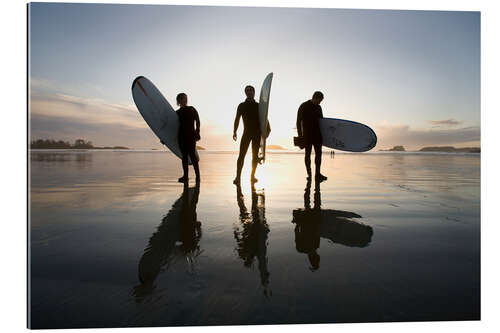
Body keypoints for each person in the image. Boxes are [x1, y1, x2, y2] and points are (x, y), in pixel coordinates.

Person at [232, 85, 270, 185]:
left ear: (254, 92)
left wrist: (268, 130)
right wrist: (235, 131)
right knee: (241, 156)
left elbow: (265, 117)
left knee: (254, 156)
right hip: (247, 133)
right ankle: (238, 177)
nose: (249, 92)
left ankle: (252, 176)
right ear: (245, 93)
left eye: (251, 90)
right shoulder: (241, 106)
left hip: (257, 134)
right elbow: (237, 119)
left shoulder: (259, 106)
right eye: (247, 91)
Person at [296, 91, 327, 182]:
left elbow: (322, 121)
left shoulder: (319, 107)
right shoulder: (304, 106)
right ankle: (309, 175)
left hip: (317, 134)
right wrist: (300, 136)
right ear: (314, 97)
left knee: (319, 154)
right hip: (307, 134)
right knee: (307, 154)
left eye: (321, 101)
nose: (319, 103)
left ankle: (318, 174)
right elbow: (298, 121)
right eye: (319, 100)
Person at [176, 93, 200, 183]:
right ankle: (185, 176)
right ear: (178, 101)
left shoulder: (191, 109)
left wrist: (197, 132)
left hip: (191, 136)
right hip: (181, 136)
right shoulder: (177, 113)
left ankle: (198, 176)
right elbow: (172, 126)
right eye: (183, 99)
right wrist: (164, 139)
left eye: (186, 98)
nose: (185, 100)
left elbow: (197, 120)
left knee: (193, 155)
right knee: (184, 157)